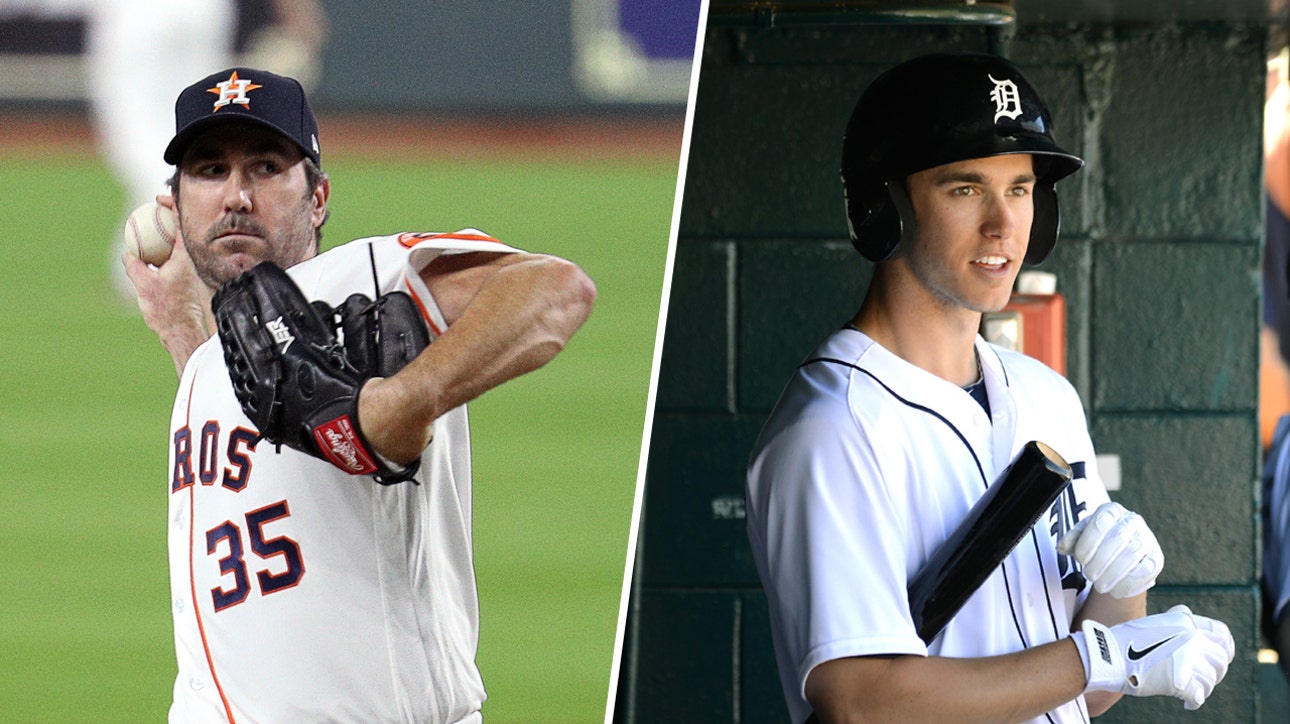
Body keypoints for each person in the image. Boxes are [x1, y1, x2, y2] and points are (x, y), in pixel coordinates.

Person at [744, 53, 1235, 724]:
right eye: (965, 188)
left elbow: (1082, 691)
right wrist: (1100, 655)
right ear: (881, 206)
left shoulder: (1047, 397)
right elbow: (861, 703)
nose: (1003, 224)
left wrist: (1124, 595)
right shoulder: (831, 429)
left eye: (1022, 188)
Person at [123, 67, 596, 722]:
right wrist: (185, 335)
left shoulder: (364, 278)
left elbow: (555, 291)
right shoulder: (212, 360)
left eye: (264, 167)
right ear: (173, 206)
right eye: (209, 170)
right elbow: (269, 462)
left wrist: (401, 400)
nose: (235, 195)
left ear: (317, 198)